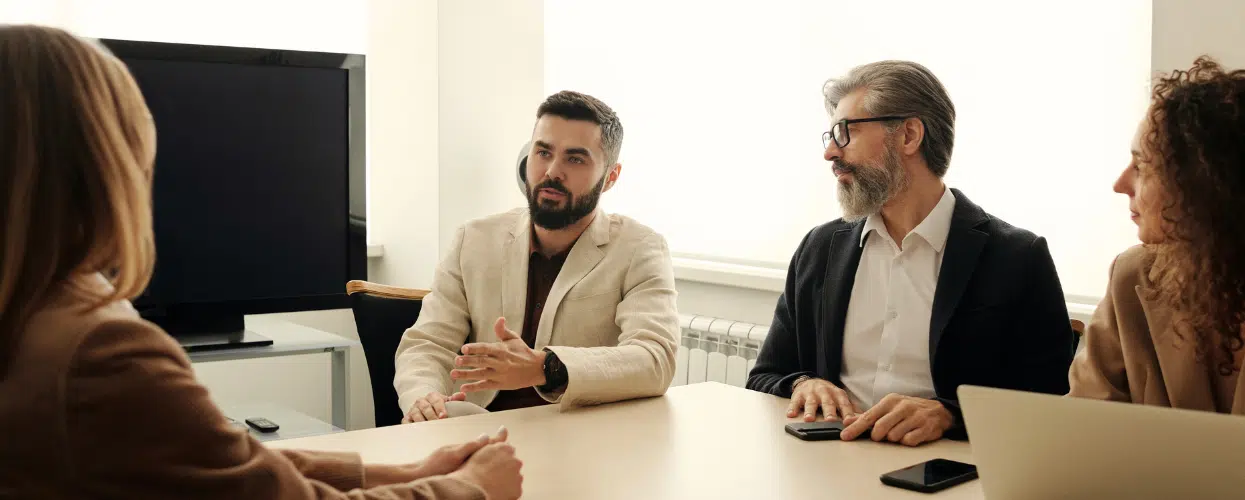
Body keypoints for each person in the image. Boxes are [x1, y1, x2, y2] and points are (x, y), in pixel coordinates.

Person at [0, 25, 521, 499]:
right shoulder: (101, 351)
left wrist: (401, 472)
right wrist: (470, 489)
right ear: (103, 163)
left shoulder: (32, 318)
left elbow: (222, 464)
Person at [746, 60, 1076, 446]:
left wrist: (950, 414)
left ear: (909, 135)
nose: (830, 152)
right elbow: (764, 376)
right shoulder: (819, 249)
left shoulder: (1017, 257)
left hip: (945, 476)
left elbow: (1050, 401)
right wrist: (804, 384)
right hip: (828, 466)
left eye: (845, 132)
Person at [393, 91, 679, 423]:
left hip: (579, 440)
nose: (552, 171)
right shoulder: (473, 240)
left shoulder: (640, 249)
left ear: (610, 177)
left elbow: (655, 359)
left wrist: (546, 368)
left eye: (575, 159)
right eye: (543, 152)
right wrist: (425, 396)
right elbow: (427, 344)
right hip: (473, 430)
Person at [1070, 57, 1245, 414]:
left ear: (1206, 183)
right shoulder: (1132, 277)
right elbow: (1082, 425)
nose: (1120, 184)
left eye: (1143, 166)